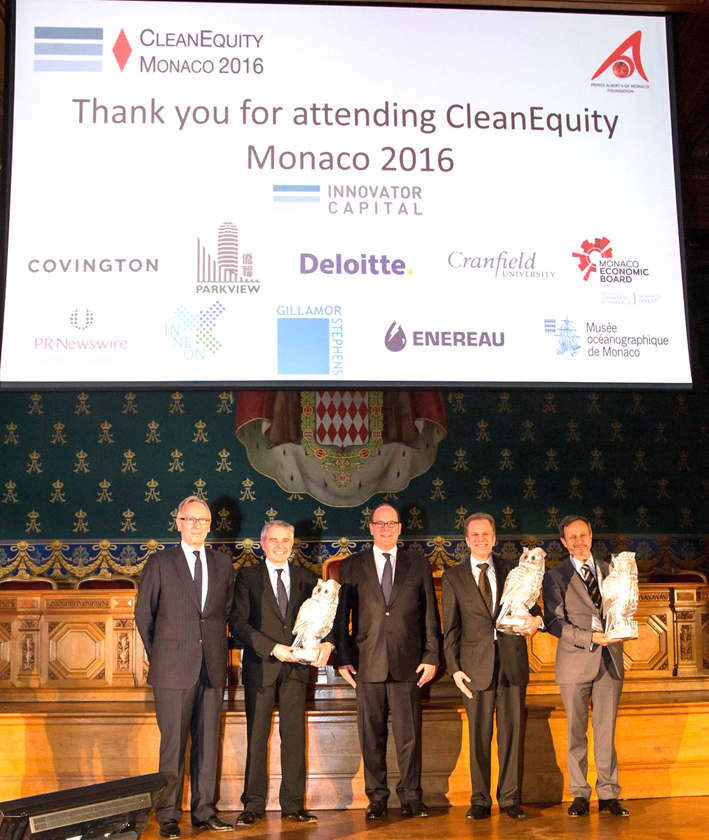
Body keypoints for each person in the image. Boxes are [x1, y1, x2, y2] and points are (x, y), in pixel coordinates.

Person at [135, 496, 235, 838]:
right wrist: (160, 653)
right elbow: (143, 615)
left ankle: (205, 810)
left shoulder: (223, 564)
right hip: (172, 669)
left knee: (208, 744)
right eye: (190, 519)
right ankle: (167, 814)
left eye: (203, 520)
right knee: (174, 745)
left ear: (210, 525)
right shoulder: (161, 562)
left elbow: (225, 612)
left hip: (212, 666)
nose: (197, 525)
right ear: (178, 522)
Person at [334, 503, 440, 819]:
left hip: (409, 663)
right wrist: (342, 658)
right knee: (372, 736)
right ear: (370, 528)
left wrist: (432, 655)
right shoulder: (351, 565)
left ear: (399, 527)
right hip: (367, 663)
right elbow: (342, 617)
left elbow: (431, 615)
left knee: (409, 736)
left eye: (391, 523)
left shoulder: (418, 564)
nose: (385, 529)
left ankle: (411, 796)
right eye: (379, 524)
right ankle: (377, 798)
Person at [229, 520, 333, 825]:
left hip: (297, 668)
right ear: (262, 544)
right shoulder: (247, 577)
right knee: (257, 736)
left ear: (292, 544)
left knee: (293, 737)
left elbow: (322, 622)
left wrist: (326, 644)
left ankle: (292, 804)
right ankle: (253, 805)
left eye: (285, 540)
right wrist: (272, 647)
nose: (280, 545)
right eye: (273, 540)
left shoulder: (306, 578)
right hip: (261, 666)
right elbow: (238, 623)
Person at [442, 513, 543, 821]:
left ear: (495, 538)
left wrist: (537, 622)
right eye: (475, 535)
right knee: (479, 736)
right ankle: (480, 800)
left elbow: (535, 610)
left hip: (511, 662)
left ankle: (510, 798)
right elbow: (451, 628)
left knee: (512, 734)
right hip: (474, 668)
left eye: (486, 534)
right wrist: (454, 668)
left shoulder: (513, 568)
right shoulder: (454, 577)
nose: (481, 539)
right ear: (466, 540)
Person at [542, 514, 629, 817]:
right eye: (572, 538)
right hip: (576, 662)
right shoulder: (555, 576)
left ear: (591, 536)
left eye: (584, 535)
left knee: (606, 732)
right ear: (564, 542)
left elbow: (623, 609)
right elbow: (554, 622)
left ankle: (608, 794)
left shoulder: (612, 571)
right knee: (576, 732)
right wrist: (590, 637)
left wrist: (620, 628)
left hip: (610, 663)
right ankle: (580, 794)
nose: (579, 542)